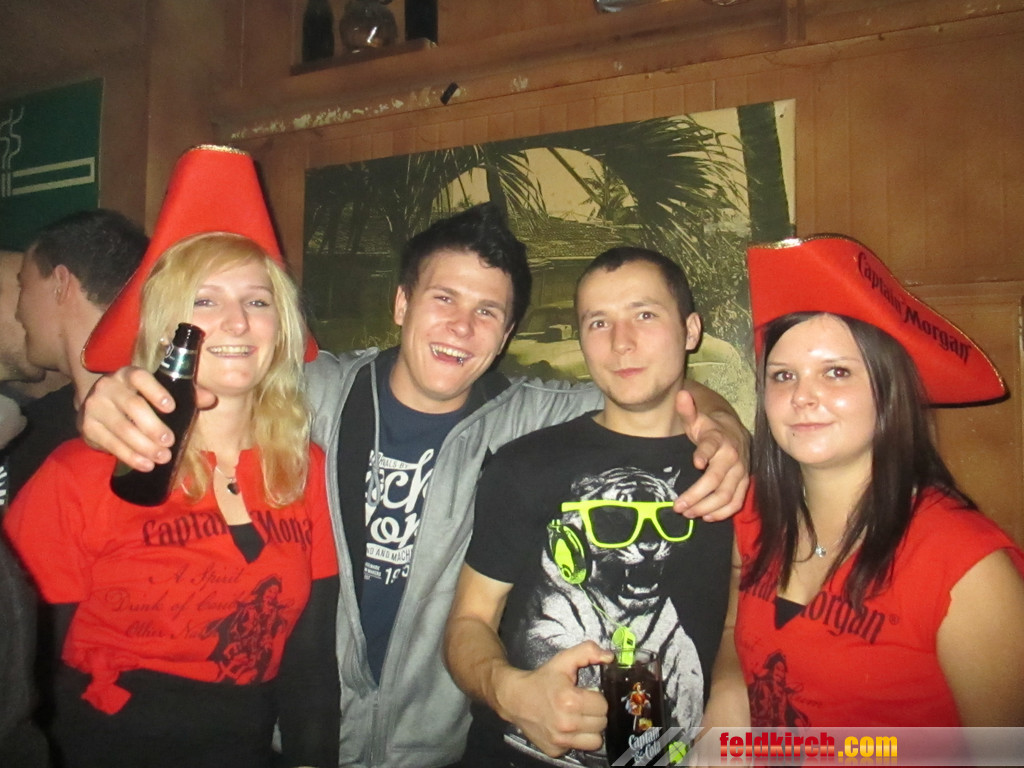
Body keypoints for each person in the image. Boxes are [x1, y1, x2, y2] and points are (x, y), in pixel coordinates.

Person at [80, 189, 750, 767]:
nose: (461, 326)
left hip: (438, 750)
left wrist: (724, 427)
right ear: (402, 303)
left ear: (506, 335)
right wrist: (109, 394)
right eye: (443, 298)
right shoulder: (315, 393)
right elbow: (214, 377)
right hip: (294, 738)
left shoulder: (528, 417)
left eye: (487, 312)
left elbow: (649, 392)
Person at [3, 147, 339, 768]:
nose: (236, 322)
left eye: (258, 301)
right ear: (166, 330)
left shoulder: (305, 469)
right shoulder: (77, 474)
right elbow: (20, 671)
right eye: (205, 301)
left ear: (281, 327)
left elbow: (310, 664)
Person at [445, 247, 734, 767]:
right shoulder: (524, 464)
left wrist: (732, 699)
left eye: (645, 315)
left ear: (690, 330)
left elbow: (742, 627)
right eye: (598, 322)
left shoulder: (728, 474)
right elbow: (469, 620)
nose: (621, 342)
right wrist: (508, 690)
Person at [723, 234, 1024, 728]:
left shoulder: (966, 567)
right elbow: (734, 628)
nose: (802, 397)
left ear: (889, 391)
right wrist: (727, 692)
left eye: (836, 372)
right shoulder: (750, 512)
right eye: (783, 376)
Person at [1, 211, 148, 500]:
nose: (19, 312)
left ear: (61, 283)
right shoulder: (31, 427)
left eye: (23, 286)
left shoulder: (162, 410)